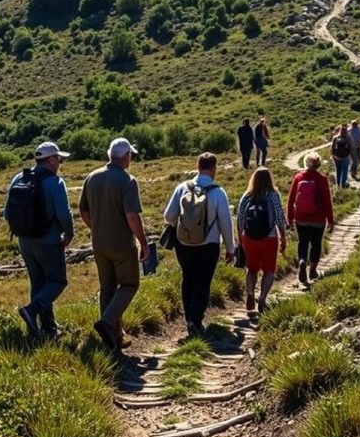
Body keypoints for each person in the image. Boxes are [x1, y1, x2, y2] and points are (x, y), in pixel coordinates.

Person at [79, 138, 150, 352]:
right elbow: (132, 216)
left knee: (107, 287)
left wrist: (97, 228)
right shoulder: (127, 181)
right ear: (126, 156)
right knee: (129, 284)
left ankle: (114, 339)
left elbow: (83, 211)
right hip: (122, 243)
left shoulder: (92, 177)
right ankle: (107, 322)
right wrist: (143, 243)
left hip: (99, 242)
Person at [4, 141, 74, 340]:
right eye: (59, 159)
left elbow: (6, 212)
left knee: (38, 282)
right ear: (51, 160)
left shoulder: (19, 177)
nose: (60, 163)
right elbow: (64, 214)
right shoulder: (55, 182)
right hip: (48, 241)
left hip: (24, 241)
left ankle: (48, 330)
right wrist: (69, 235)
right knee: (58, 281)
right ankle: (31, 310)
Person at [163, 152, 235, 336]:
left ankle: (189, 319)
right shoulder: (218, 192)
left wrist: (184, 226)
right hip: (209, 245)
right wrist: (230, 249)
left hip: (183, 244)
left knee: (188, 279)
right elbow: (226, 223)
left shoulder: (182, 188)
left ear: (197, 167)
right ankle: (196, 320)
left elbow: (168, 216)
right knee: (203, 282)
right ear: (213, 169)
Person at [236, 167, 287, 314]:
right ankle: (263, 297)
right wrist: (283, 236)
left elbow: (240, 218)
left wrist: (240, 237)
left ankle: (250, 293)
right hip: (269, 238)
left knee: (251, 269)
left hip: (249, 238)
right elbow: (279, 218)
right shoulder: (273, 194)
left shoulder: (247, 195)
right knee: (269, 270)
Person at [286, 150, 334, 284]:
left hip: (301, 217)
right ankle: (312, 270)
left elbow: (290, 200)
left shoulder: (298, 177)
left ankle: (302, 261)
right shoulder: (322, 179)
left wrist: (289, 218)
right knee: (316, 244)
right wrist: (330, 220)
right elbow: (327, 202)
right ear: (318, 164)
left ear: (306, 162)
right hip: (318, 219)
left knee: (303, 242)